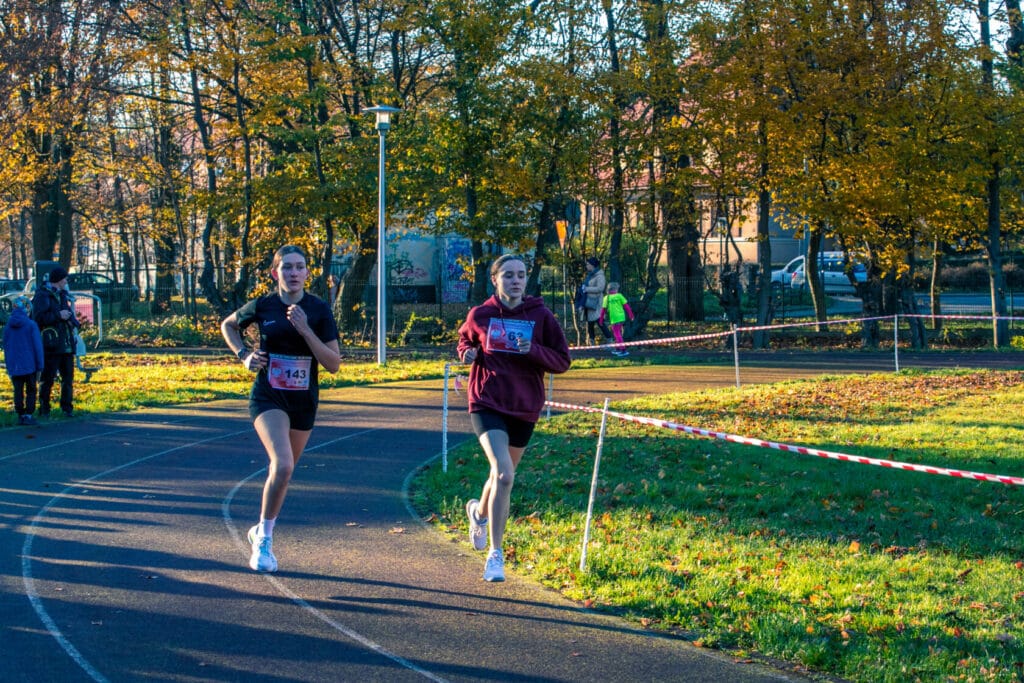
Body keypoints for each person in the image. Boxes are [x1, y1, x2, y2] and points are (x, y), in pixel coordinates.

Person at [220, 245, 341, 572]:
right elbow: (228, 325)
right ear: (276, 273)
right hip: (268, 396)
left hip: (303, 401)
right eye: (287, 267)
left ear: (307, 273)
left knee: (283, 474)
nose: (293, 272)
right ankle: (265, 541)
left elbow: (333, 364)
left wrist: (305, 330)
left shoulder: (318, 310)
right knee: (283, 464)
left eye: (299, 267)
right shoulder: (264, 305)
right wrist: (244, 355)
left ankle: (260, 528)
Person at [457, 254, 572, 581]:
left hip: (524, 405)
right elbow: (465, 341)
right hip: (487, 402)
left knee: (500, 475)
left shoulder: (541, 316)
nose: (516, 280)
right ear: (495, 279)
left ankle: (478, 513)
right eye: (508, 275)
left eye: (521, 275)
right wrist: (467, 353)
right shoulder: (480, 314)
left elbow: (562, 361)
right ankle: (496, 555)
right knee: (504, 475)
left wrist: (532, 350)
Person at [32, 267, 79, 418]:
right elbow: (38, 318)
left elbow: (68, 313)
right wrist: (58, 315)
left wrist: (74, 322)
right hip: (52, 344)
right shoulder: (42, 295)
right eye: (64, 278)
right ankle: (44, 408)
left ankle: (67, 408)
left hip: (66, 343)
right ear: (58, 279)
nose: (66, 281)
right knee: (48, 378)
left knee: (68, 378)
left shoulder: (62, 295)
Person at [3, 296, 44, 425]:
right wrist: (40, 365)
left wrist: (9, 365)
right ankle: (28, 414)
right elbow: (37, 347)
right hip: (30, 364)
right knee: (31, 389)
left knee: (18, 390)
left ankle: (20, 414)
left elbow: (6, 347)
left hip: (14, 364)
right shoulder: (31, 325)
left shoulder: (8, 327)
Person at [579, 257, 612, 345]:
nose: (586, 266)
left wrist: (587, 289)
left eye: (588, 264)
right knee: (590, 323)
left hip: (596, 302)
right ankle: (592, 343)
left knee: (599, 321)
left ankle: (609, 340)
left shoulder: (600, 276)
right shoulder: (590, 275)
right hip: (588, 302)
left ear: (593, 265)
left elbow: (600, 288)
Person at [599, 282, 635, 357]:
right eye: (617, 289)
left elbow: (603, 310)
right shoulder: (619, 296)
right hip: (621, 317)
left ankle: (623, 350)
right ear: (615, 289)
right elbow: (627, 306)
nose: (617, 290)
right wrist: (631, 315)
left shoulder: (606, 298)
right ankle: (618, 349)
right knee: (617, 333)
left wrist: (601, 320)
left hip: (615, 318)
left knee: (617, 334)